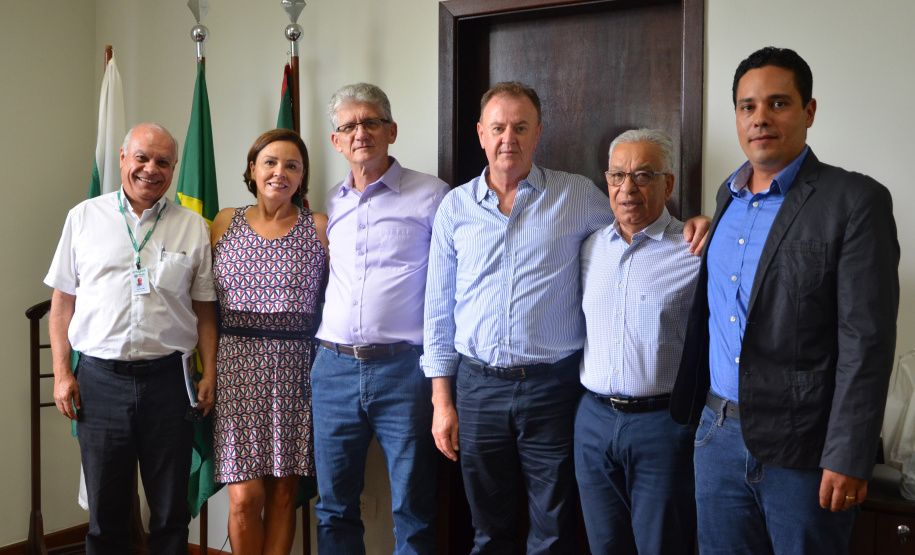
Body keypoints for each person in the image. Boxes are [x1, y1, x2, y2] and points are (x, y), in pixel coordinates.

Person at [423, 82, 709, 554]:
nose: (508, 139)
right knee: (488, 529)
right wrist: (442, 401)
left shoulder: (577, 195)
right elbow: (436, 313)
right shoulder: (455, 207)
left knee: (554, 529)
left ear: (538, 133)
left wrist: (696, 224)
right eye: (498, 128)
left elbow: (634, 225)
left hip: (552, 391)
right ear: (480, 134)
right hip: (476, 388)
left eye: (520, 127)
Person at [670, 46, 900, 555]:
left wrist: (849, 453)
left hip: (806, 451)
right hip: (716, 436)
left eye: (778, 103)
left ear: (809, 111)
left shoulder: (855, 201)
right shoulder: (725, 199)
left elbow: (867, 341)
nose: (761, 119)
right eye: (747, 106)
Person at [46, 123, 218, 553]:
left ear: (174, 168)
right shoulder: (84, 218)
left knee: (170, 514)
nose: (150, 168)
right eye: (141, 157)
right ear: (122, 158)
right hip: (100, 382)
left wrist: (210, 370)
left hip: (169, 383)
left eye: (163, 161)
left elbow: (204, 309)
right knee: (106, 516)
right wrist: (62, 373)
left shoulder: (193, 226)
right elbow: (62, 303)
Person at [311, 83, 449, 554]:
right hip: (332, 370)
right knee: (333, 507)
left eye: (370, 122)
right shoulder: (330, 204)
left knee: (413, 505)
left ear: (391, 130)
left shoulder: (433, 196)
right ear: (336, 140)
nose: (360, 133)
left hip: (405, 370)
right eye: (348, 126)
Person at [575, 128, 699, 555]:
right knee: (604, 545)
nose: (627, 189)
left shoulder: (695, 251)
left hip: (662, 425)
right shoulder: (589, 247)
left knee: (661, 545)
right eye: (617, 176)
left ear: (668, 184)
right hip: (592, 422)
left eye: (643, 176)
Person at [209, 128, 328, 555]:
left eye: (292, 166)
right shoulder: (224, 221)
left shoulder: (318, 228)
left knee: (284, 492)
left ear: (302, 178)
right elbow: (201, 298)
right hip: (236, 367)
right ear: (253, 170)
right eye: (271, 163)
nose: (281, 172)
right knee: (244, 499)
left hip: (297, 368)